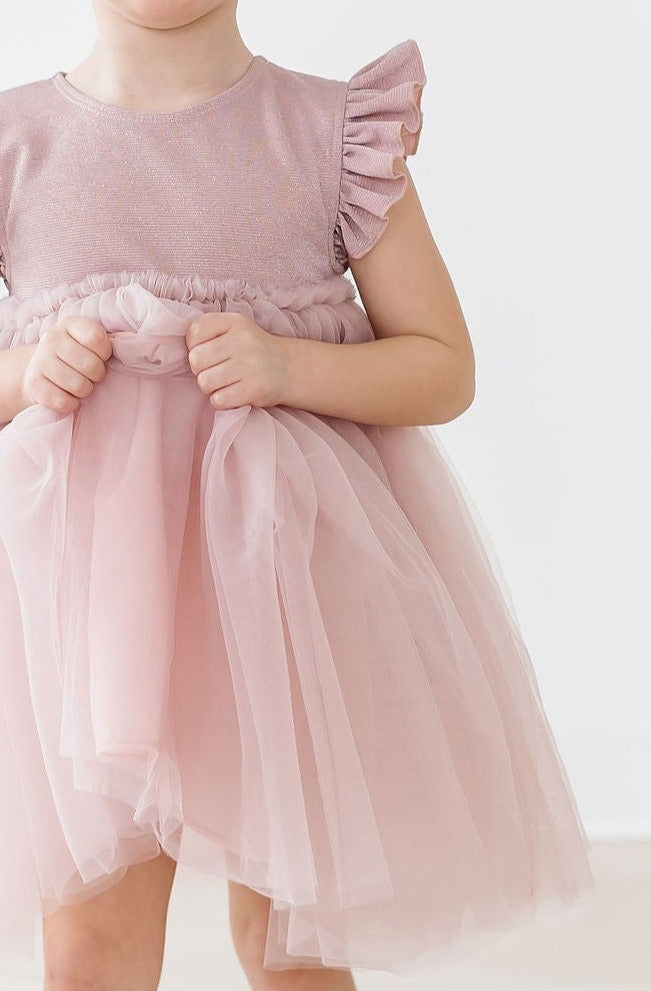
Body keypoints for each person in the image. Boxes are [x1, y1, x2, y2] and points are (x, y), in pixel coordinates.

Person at [0, 1, 594, 989]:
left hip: (283, 605)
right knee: (92, 946)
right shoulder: (16, 143)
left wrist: (289, 366)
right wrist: (24, 372)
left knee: (292, 947)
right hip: (90, 618)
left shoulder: (332, 135)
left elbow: (442, 364)